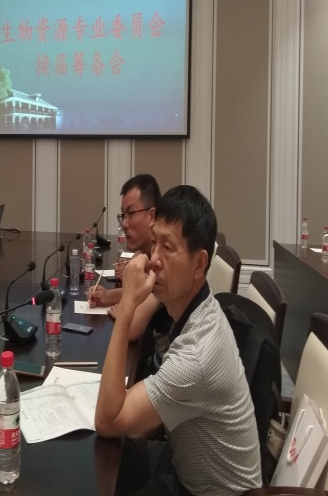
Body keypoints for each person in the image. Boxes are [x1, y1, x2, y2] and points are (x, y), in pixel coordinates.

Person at [95, 185, 261, 496]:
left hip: (204, 491)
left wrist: (128, 304)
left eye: (168, 247)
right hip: (181, 463)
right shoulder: (196, 309)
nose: (154, 259)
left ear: (199, 264)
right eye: (154, 242)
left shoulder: (197, 355)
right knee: (110, 459)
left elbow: (107, 420)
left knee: (106, 459)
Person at [88, 174, 160, 309]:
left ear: (152, 216)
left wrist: (111, 298)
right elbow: (143, 291)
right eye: (123, 215)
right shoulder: (144, 253)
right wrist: (107, 295)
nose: (124, 224)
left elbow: (152, 293)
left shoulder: (162, 260)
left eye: (130, 213)